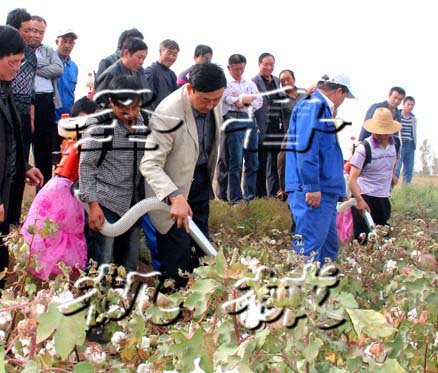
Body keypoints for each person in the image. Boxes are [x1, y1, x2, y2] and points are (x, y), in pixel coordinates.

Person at [140, 63, 226, 289]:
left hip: (199, 183)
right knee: (176, 257)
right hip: (173, 190)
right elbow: (150, 164)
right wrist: (174, 195)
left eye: (216, 99)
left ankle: (200, 306)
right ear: (189, 89)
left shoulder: (213, 102)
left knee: (202, 251)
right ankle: (171, 305)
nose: (210, 105)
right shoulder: (168, 113)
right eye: (205, 100)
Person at [20, 96, 97, 280]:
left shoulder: (76, 142)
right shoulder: (79, 144)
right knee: (60, 233)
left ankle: (61, 272)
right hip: (66, 192)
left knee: (59, 234)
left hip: (65, 190)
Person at [79, 75, 148, 273]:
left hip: (133, 204)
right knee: (102, 263)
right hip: (105, 203)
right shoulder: (99, 126)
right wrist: (92, 205)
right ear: (111, 103)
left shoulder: (145, 123)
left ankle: (122, 300)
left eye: (135, 108)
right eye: (124, 111)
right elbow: (86, 167)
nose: (131, 114)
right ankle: (94, 300)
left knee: (128, 264)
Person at [285, 72, 355, 264]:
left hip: (324, 190)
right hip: (314, 190)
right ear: (339, 92)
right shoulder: (314, 106)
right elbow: (306, 149)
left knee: (327, 247)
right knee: (309, 248)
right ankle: (299, 292)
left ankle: (322, 290)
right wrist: (311, 186)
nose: (342, 102)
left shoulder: (319, 107)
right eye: (344, 98)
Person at [0, 25, 44, 289]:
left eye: (20, 63)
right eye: (12, 62)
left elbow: (9, 140)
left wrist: (24, 166)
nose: (17, 69)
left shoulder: (5, 89)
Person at [216, 54, 262, 204]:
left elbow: (259, 101)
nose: (239, 72)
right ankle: (235, 198)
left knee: (252, 161)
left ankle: (250, 196)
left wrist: (242, 98)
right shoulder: (225, 84)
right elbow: (232, 101)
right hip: (233, 120)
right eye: (236, 69)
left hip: (250, 120)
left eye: (242, 69)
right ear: (229, 68)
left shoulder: (249, 83)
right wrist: (246, 99)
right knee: (235, 161)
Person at [349, 107, 401, 240]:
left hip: (383, 197)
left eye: (385, 132)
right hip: (365, 197)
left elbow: (393, 163)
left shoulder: (396, 144)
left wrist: (392, 175)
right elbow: (352, 179)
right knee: (364, 240)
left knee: (383, 240)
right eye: (379, 132)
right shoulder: (364, 148)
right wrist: (359, 201)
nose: (382, 136)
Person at [30, 15, 64, 186]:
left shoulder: (48, 51)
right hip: (26, 102)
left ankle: (43, 197)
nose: (36, 35)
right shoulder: (19, 49)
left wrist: (35, 69)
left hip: (45, 102)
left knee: (44, 153)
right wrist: (42, 65)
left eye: (41, 32)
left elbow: (58, 69)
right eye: (33, 31)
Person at [6, 8, 37, 162]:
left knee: (22, 162)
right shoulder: (3, 53)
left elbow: (31, 88)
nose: (32, 34)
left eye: (33, 30)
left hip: (24, 116)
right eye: (27, 30)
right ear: (14, 30)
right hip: (6, 113)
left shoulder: (31, 55)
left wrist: (31, 118)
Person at [252, 53, 284, 197]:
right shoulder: (253, 82)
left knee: (275, 162)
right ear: (259, 64)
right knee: (261, 163)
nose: (269, 67)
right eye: (266, 64)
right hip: (261, 126)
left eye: (271, 64)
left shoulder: (277, 81)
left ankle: (274, 193)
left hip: (276, 126)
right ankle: (260, 194)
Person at [276, 69, 307, 201]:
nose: (286, 82)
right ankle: (283, 189)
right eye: (282, 81)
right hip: (291, 131)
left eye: (288, 79)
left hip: (307, 130)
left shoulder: (305, 93)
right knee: (282, 158)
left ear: (293, 79)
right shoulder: (280, 97)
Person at [144, 39, 179, 111]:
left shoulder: (172, 74)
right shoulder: (150, 72)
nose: (171, 57)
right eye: (169, 53)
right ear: (160, 52)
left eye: (175, 54)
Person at [395, 96, 417, 184]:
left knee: (408, 172)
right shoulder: (397, 116)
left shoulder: (413, 119)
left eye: (412, 105)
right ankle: (388, 192)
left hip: (410, 145)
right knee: (396, 169)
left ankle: (406, 192)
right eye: (408, 104)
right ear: (403, 104)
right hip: (401, 145)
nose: (410, 107)